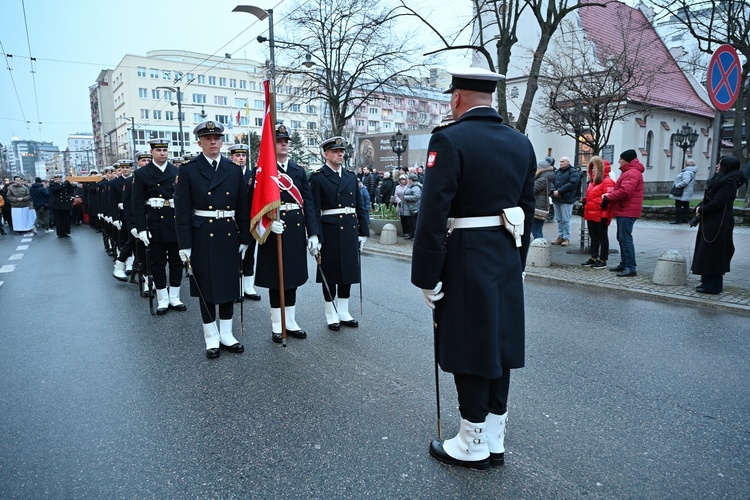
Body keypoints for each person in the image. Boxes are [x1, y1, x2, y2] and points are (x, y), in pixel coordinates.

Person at [411, 67, 536, 471]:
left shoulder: (447, 140)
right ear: (491, 97)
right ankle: (495, 436)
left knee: (467, 343)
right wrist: (517, 261)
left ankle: (472, 442)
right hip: (505, 251)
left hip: (466, 253)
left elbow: (432, 214)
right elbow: (528, 209)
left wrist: (427, 277)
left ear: (456, 98)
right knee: (498, 345)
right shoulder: (521, 143)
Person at [174, 120, 250, 358]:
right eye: (208, 139)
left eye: (217, 138)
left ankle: (226, 333)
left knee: (228, 284)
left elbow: (243, 208)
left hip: (228, 233)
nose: (213, 142)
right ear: (200, 142)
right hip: (201, 234)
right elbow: (182, 210)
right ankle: (211, 337)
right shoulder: (188, 170)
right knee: (205, 286)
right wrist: (184, 244)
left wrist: (246, 238)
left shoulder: (233, 168)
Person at [252, 124, 320, 344]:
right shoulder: (263, 170)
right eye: (279, 141)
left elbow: (308, 203)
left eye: (286, 141)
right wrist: (268, 223)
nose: (284, 144)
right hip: (274, 230)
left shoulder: (298, 171)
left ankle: (290, 321)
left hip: (294, 229)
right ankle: (276, 324)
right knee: (275, 278)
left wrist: (313, 234)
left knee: (292, 277)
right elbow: (255, 202)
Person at [309, 136, 369, 331]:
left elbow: (360, 206)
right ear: (326, 154)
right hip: (330, 230)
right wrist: (314, 235)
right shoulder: (318, 177)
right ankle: (331, 312)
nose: (340, 154)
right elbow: (314, 210)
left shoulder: (351, 176)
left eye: (341, 151)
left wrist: (363, 231)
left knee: (348, 272)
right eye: (335, 151)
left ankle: (343, 310)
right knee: (331, 272)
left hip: (350, 229)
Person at [131, 139, 187, 314]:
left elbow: (185, 201)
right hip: (155, 223)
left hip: (174, 222)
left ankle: (175, 297)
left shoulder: (177, 171)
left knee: (177, 262)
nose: (162, 153)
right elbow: (137, 204)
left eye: (165, 150)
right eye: (159, 150)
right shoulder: (142, 174)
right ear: (152, 152)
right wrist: (141, 229)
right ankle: (162, 298)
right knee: (158, 263)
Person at [691, 155, 747, 294]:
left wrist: (701, 210)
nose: (717, 166)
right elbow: (709, 198)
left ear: (726, 166)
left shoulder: (729, 182)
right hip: (710, 221)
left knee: (714, 254)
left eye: (720, 164)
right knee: (706, 253)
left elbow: (718, 203)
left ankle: (713, 285)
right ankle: (706, 282)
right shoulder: (720, 180)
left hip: (719, 223)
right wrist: (699, 209)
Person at [602, 149, 645, 277]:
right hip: (625, 209)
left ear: (627, 161)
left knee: (625, 238)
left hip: (627, 210)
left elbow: (626, 191)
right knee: (622, 238)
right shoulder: (629, 172)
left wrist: (609, 196)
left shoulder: (631, 173)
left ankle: (630, 267)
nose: (618, 162)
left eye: (620, 159)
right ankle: (624, 263)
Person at [229, 143, 261, 302]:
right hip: (233, 220)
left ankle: (248, 285)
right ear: (231, 157)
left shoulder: (252, 174)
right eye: (237, 155)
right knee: (234, 254)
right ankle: (236, 286)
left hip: (250, 219)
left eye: (243, 155)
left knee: (249, 253)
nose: (241, 158)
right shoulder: (228, 173)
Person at [581, 156, 615, 269]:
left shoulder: (608, 182)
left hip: (600, 215)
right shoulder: (593, 182)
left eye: (594, 168)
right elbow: (593, 197)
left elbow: (608, 201)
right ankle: (594, 257)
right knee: (594, 236)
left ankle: (603, 259)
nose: (592, 170)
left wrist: (605, 216)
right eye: (592, 168)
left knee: (602, 237)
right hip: (591, 213)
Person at [550, 156, 580, 246]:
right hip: (557, 199)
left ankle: (566, 237)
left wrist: (559, 191)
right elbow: (552, 182)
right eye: (560, 161)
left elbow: (572, 184)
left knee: (566, 220)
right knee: (559, 219)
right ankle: (561, 236)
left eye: (563, 161)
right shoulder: (558, 172)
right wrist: (554, 191)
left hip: (566, 199)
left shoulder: (573, 172)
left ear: (568, 162)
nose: (561, 163)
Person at [668, 159, 698, 224]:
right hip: (687, 191)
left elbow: (685, 181)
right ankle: (685, 218)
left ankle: (678, 220)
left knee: (678, 205)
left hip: (682, 192)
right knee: (685, 205)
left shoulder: (687, 172)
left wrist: (677, 185)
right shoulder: (692, 172)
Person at [532, 160, 555, 239]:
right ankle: (541, 246)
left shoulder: (541, 179)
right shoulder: (546, 178)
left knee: (535, 230)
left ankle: (540, 247)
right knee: (538, 229)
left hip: (538, 206)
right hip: (542, 205)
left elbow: (531, 190)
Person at [402, 173, 422, 240]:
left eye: (408, 179)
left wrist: (406, 197)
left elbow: (416, 197)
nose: (407, 180)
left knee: (414, 223)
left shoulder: (416, 187)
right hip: (409, 208)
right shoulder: (410, 186)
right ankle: (411, 234)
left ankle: (416, 236)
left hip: (414, 208)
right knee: (410, 223)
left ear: (411, 180)